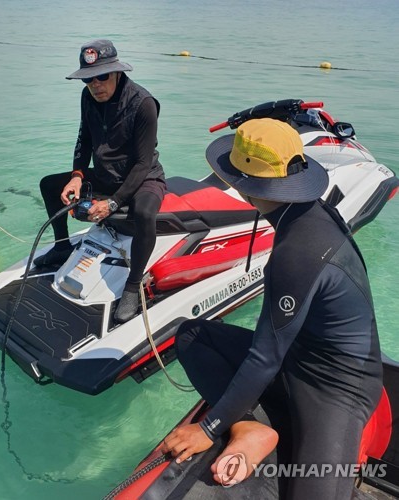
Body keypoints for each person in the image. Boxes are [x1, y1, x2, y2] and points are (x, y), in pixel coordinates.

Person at [161, 118, 383, 499]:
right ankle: (249, 426)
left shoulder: (298, 251)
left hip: (338, 386)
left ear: (242, 184)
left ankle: (240, 425)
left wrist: (209, 428)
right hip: (297, 355)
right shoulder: (306, 211)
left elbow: (265, 357)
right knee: (192, 335)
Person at [35, 39, 166, 323]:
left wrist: (113, 202)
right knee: (48, 185)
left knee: (144, 213)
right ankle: (61, 246)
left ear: (117, 72)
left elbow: (143, 163)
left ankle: (133, 285)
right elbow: (84, 139)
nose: (95, 85)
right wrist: (77, 176)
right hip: (106, 173)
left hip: (143, 178)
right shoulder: (89, 98)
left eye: (102, 77)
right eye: (88, 79)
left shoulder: (143, 104)